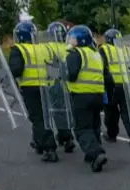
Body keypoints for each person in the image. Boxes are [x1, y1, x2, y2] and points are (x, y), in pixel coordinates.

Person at [9, 21, 59, 162]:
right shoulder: (44, 48)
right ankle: (38, 142)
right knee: (45, 117)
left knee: (38, 118)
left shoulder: (18, 49)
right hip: (47, 85)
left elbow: (16, 70)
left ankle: (50, 148)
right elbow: (54, 67)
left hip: (31, 87)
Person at [65, 25, 108, 172]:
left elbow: (71, 75)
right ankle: (93, 152)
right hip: (97, 95)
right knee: (94, 125)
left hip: (81, 95)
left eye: (72, 38)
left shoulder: (75, 53)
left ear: (80, 39)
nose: (70, 41)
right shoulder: (96, 54)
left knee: (82, 128)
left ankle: (96, 154)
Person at [99, 28, 130, 147]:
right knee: (127, 112)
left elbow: (102, 67)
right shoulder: (126, 49)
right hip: (126, 85)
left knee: (110, 112)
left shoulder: (104, 49)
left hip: (111, 86)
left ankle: (112, 135)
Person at [47, 21, 77, 154]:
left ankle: (66, 137)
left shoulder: (48, 47)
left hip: (54, 82)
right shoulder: (68, 47)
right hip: (69, 84)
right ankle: (65, 134)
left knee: (58, 111)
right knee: (68, 110)